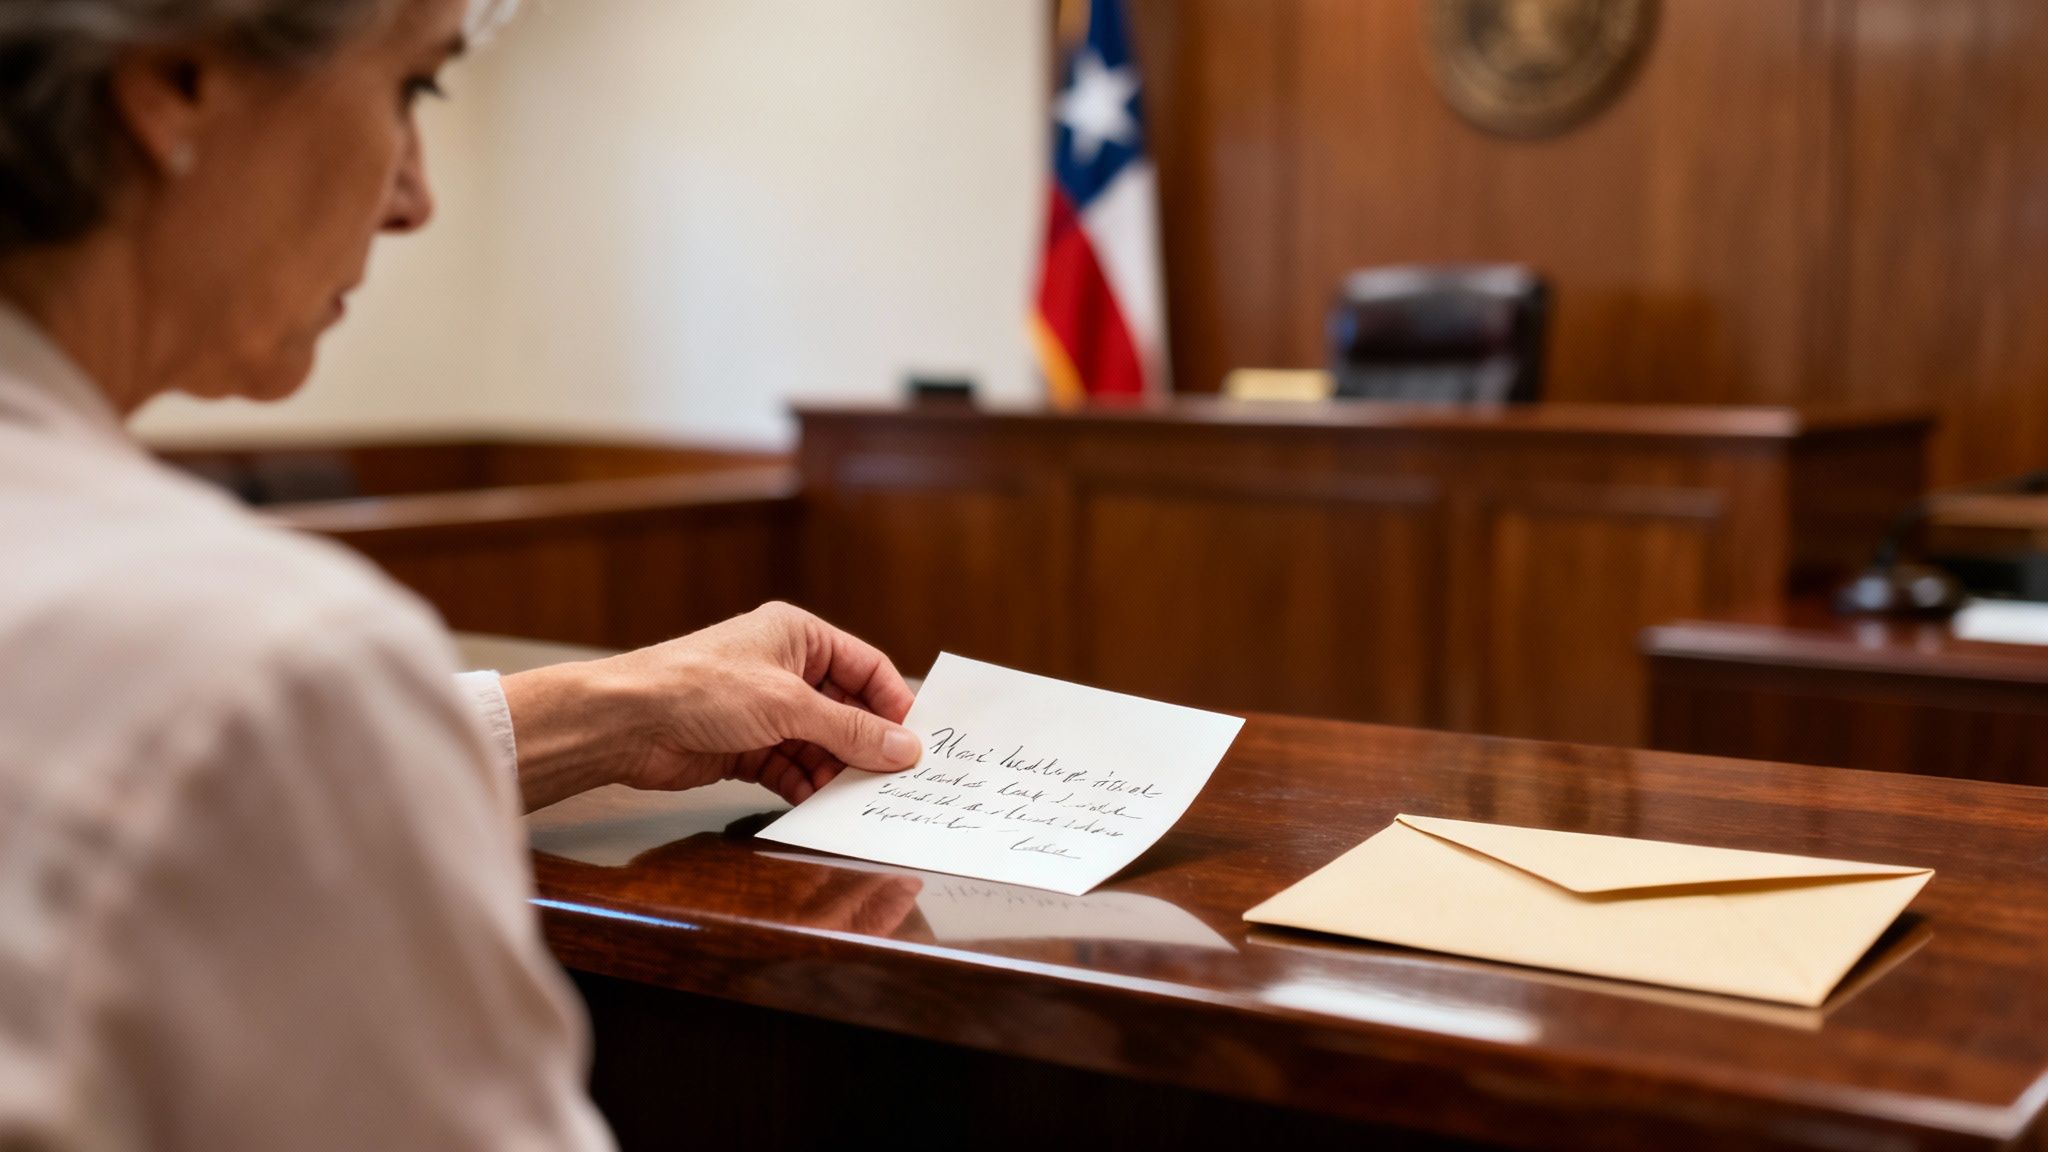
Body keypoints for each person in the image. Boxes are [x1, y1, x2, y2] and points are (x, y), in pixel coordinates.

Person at [0, 0, 924, 1147]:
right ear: (174, 85)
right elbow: (238, 735)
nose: (413, 198)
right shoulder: (260, 659)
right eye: (412, 89)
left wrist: (619, 705)